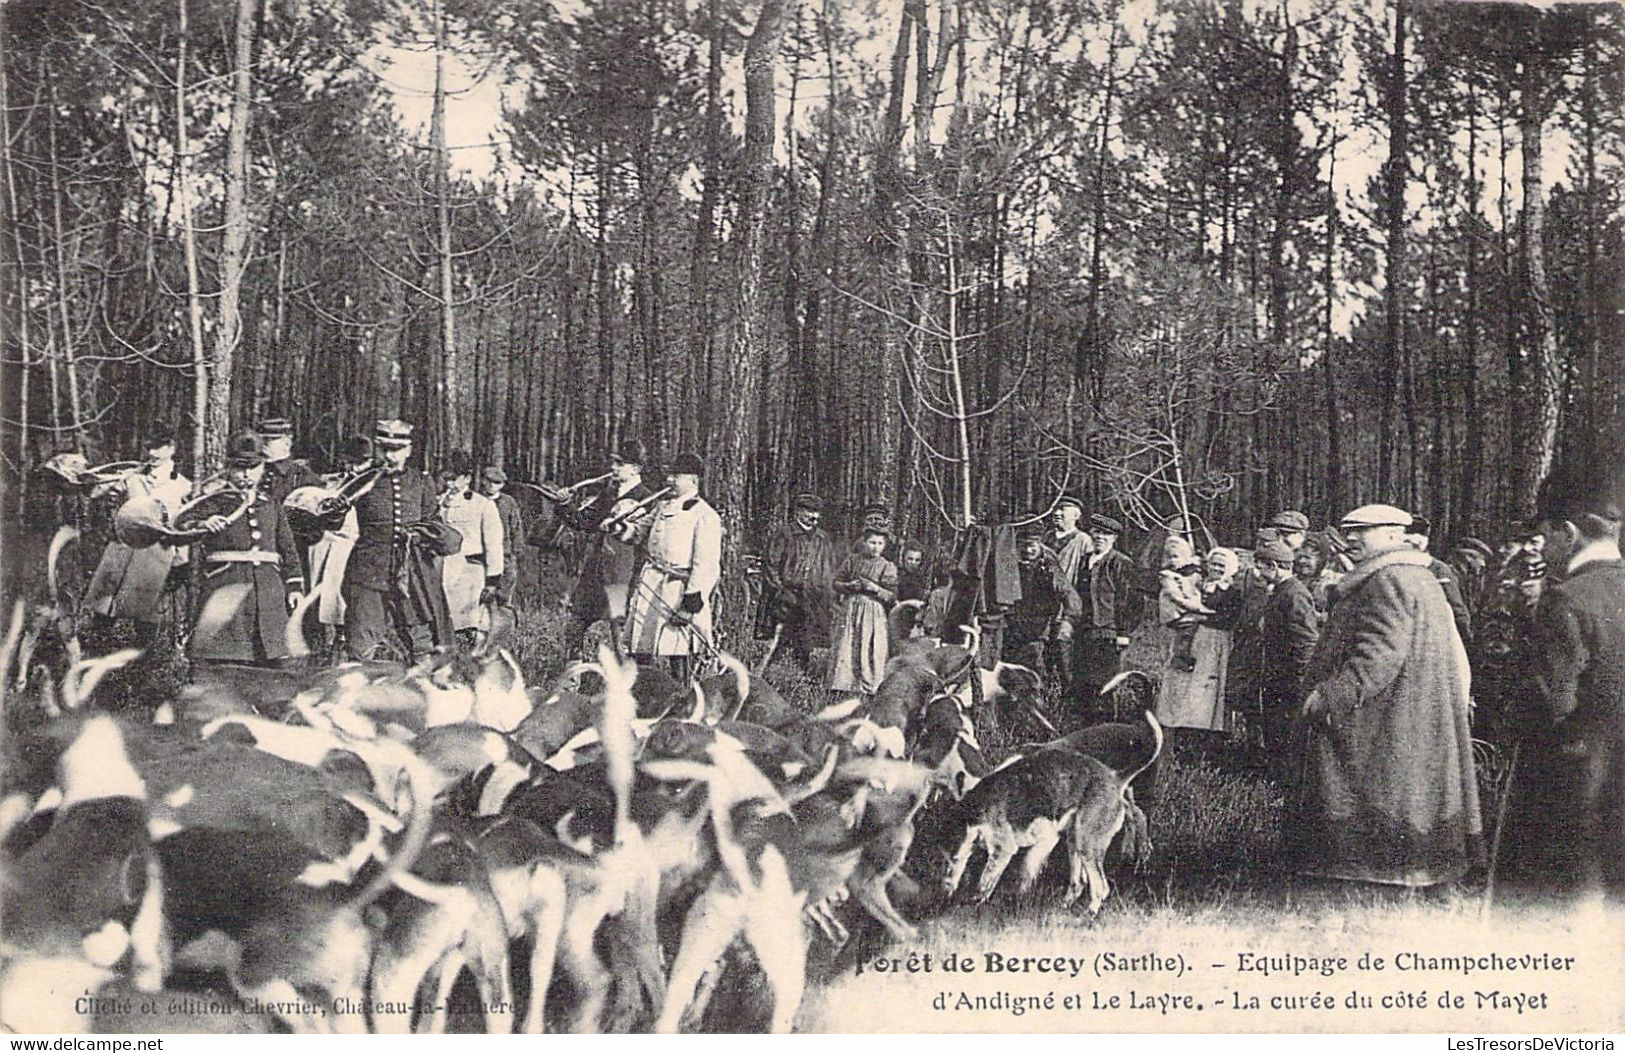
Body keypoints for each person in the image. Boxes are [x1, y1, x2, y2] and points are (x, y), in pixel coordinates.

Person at [1287, 503, 1482, 889]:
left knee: (1375, 801)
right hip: (1412, 717)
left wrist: (1328, 696)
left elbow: (1379, 657)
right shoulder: (1417, 577)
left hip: (1386, 721)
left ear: (1395, 534)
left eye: (1364, 530)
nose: (1352, 538)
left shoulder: (1386, 580)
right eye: (1349, 530)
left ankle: (1374, 876)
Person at [1500, 463, 1624, 901]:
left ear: (1567, 534)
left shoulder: (1567, 598)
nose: (1543, 549)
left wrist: (1510, 715)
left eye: (1547, 536)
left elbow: (1551, 700)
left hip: (1572, 780)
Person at [343, 419, 460, 661]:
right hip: (369, 572)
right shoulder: (363, 480)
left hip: (412, 573)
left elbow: (432, 520)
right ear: (376, 448)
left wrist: (426, 535)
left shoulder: (421, 481)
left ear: (408, 450)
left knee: (422, 643)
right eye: (384, 449)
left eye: (396, 450)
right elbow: (332, 518)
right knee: (361, 644)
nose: (390, 456)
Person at [187, 432, 305, 666]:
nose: (246, 474)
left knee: (271, 659)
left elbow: (287, 548)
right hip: (226, 589)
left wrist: (294, 587)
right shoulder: (212, 501)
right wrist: (202, 524)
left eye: (253, 467)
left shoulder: (270, 503)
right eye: (239, 468)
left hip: (268, 592)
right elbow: (179, 527)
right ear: (228, 469)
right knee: (224, 659)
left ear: (262, 468)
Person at [84, 424, 192, 654]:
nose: (152, 454)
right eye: (149, 448)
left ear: (172, 448)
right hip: (122, 549)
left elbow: (182, 525)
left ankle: (141, 666)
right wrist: (111, 480)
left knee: (145, 617)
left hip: (155, 555)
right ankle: (96, 660)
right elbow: (95, 493)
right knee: (104, 610)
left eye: (159, 448)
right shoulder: (132, 478)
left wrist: (181, 561)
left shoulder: (182, 485)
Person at [624, 453, 723, 682]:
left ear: (693, 481)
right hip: (652, 586)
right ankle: (645, 699)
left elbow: (706, 566)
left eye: (676, 476)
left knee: (678, 654)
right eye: (670, 475)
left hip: (678, 591)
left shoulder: (704, 515)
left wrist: (690, 605)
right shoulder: (661, 507)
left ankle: (682, 703)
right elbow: (637, 533)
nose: (669, 480)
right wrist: (617, 526)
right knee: (642, 649)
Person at [561, 440, 653, 655]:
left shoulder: (646, 498)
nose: (613, 468)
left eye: (620, 464)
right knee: (575, 627)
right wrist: (564, 504)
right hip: (594, 574)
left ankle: (629, 684)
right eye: (614, 463)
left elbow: (643, 542)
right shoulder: (609, 494)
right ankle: (572, 683)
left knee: (621, 638)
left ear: (636, 469)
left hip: (623, 576)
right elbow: (583, 521)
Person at [1155, 547, 1243, 736]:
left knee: (1204, 686)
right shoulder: (1197, 584)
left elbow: (1228, 619)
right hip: (1191, 638)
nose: (1216, 569)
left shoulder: (1232, 592)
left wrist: (1200, 617)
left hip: (1213, 641)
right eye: (1213, 564)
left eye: (1222, 566)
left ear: (1230, 569)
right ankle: (1177, 721)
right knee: (1181, 679)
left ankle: (1202, 727)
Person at [1254, 534, 1319, 784]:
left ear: (1274, 566)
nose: (1258, 571)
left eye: (1261, 566)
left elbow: (1306, 640)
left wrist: (1301, 679)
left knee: (1285, 730)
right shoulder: (1282, 591)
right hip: (1276, 674)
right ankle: (1276, 777)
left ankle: (1285, 782)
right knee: (1274, 728)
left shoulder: (1294, 594)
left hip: (1289, 678)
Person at [757, 493, 838, 673]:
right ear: (798, 512)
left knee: (807, 641)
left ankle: (801, 676)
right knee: (778, 641)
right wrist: (780, 591)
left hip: (812, 598)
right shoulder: (784, 534)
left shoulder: (822, 539)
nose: (814, 516)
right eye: (809, 511)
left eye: (816, 512)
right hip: (787, 596)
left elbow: (829, 568)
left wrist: (825, 592)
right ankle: (767, 675)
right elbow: (771, 565)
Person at [307, 434, 371, 655]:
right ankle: (321, 644)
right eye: (349, 461)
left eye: (360, 462)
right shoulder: (332, 481)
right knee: (318, 600)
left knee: (341, 603)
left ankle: (342, 644)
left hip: (349, 546)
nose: (353, 467)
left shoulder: (372, 484)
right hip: (323, 544)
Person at [1072, 513, 1139, 712]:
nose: (1100, 537)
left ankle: (1105, 726)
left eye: (1106, 534)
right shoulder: (1085, 560)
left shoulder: (1120, 562)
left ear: (1114, 538)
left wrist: (1123, 633)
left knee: (1104, 683)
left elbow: (1129, 601)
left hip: (1107, 633)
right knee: (1083, 682)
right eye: (1097, 532)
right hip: (1084, 630)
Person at [438, 452, 504, 649]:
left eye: (454, 478)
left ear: (466, 478)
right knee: (443, 624)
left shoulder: (482, 504)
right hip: (442, 570)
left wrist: (493, 580)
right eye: (446, 478)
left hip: (469, 573)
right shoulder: (437, 502)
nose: (449, 483)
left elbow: (494, 545)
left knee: (468, 626)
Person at [828, 525, 898, 697]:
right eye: (872, 542)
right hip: (851, 608)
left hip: (873, 611)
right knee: (847, 643)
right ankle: (843, 684)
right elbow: (836, 582)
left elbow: (891, 596)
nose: (876, 547)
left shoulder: (887, 566)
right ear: (864, 543)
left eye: (880, 543)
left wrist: (874, 588)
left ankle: (869, 686)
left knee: (871, 645)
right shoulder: (852, 560)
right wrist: (848, 586)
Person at [1006, 527, 1082, 683]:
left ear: (1039, 544)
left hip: (1039, 627)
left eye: (1032, 546)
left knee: (1034, 670)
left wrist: (1069, 620)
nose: (1027, 550)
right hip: (1012, 624)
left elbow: (1067, 592)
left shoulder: (1047, 562)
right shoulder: (1008, 558)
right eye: (1023, 545)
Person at [1045, 496, 1092, 690]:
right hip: (1043, 606)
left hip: (1067, 608)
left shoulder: (1083, 541)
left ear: (1076, 515)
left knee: (1065, 651)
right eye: (1056, 509)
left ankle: (1069, 697)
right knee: (1044, 653)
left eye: (1063, 510)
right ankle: (1047, 695)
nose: (1057, 514)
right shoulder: (1045, 538)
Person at [1405, 514, 1472, 644]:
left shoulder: (1439, 570)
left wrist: (1466, 641)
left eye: (1414, 545)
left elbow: (1457, 609)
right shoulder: (1391, 569)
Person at [1158, 535, 1213, 673]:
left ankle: (1190, 655)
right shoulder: (1168, 576)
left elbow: (1199, 584)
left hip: (1186, 609)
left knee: (1197, 627)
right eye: (1170, 557)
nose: (1172, 561)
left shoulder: (1190, 572)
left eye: (1176, 557)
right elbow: (1176, 597)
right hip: (1174, 612)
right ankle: (1180, 658)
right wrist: (1197, 607)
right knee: (1186, 630)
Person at [481, 465, 527, 608]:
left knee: (504, 595)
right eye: (488, 481)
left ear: (502, 485)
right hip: (481, 554)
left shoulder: (508, 503)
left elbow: (516, 528)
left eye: (496, 483)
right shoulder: (477, 500)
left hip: (505, 554)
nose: (491, 486)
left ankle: (503, 625)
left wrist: (517, 551)